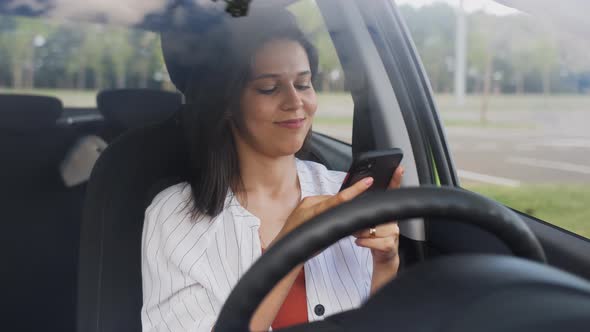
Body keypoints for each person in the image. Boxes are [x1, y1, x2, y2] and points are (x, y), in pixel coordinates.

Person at [141, 8, 403, 332]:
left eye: (304, 84)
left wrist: (385, 264)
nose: (295, 102)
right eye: (269, 88)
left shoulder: (343, 193)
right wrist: (289, 247)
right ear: (227, 103)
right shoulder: (175, 217)